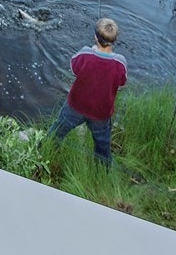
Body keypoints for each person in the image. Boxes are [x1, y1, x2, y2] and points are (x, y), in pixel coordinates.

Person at [49, 18, 127, 166]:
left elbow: (74, 69)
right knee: (102, 145)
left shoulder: (85, 53)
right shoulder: (120, 62)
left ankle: (45, 152)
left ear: (95, 37)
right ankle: (103, 170)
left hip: (75, 107)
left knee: (56, 132)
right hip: (101, 114)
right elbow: (121, 84)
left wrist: (92, 52)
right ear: (114, 40)